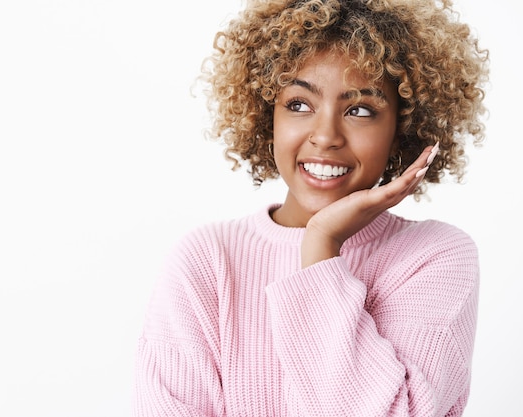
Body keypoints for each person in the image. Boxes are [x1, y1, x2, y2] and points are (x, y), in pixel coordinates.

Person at [132, 0, 489, 415]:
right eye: (299, 104)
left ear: (402, 129)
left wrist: (321, 247)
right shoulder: (208, 260)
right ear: (267, 116)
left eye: (360, 110)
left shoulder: (435, 257)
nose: (325, 136)